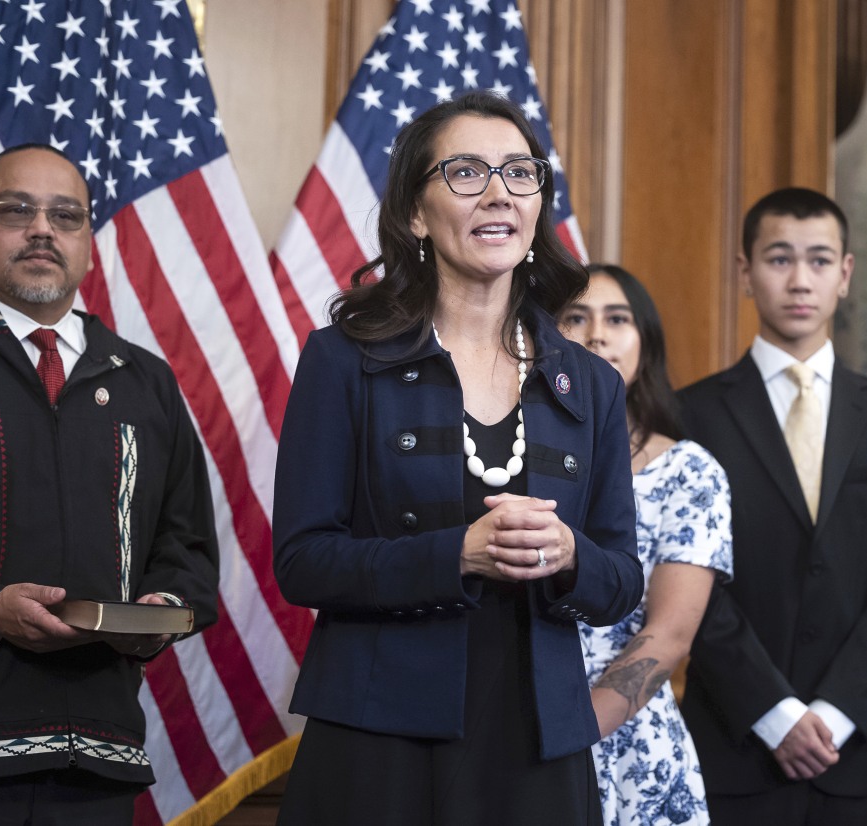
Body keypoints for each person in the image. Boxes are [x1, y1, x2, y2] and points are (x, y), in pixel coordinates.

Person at [272, 91, 644, 825]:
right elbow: (302, 561)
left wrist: (570, 552)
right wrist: (457, 556)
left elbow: (621, 581)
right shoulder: (344, 361)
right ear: (416, 213)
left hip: (538, 741)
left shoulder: (591, 383)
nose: (500, 192)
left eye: (520, 172)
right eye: (468, 173)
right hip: (379, 736)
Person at [0, 144, 219, 825]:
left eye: (67, 216)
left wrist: (156, 612)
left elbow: (188, 548)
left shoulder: (145, 381)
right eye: (16, 210)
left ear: (89, 245)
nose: (43, 229)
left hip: (97, 756)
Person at [676, 187, 867, 825]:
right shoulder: (687, 415)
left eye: (819, 261)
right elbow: (686, 582)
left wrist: (837, 709)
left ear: (845, 275)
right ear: (745, 272)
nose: (800, 280)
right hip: (734, 743)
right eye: (779, 259)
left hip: (856, 746)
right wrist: (775, 713)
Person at [561, 264, 733, 826]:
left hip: (628, 744)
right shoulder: (501, 455)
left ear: (645, 342)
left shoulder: (689, 471)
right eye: (575, 318)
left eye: (618, 319)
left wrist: (573, 730)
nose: (597, 335)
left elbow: (672, 632)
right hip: (506, 728)